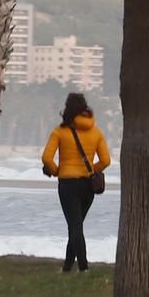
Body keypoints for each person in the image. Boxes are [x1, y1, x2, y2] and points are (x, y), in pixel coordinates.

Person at [41, 91, 111, 273]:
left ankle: (83, 267)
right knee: (76, 225)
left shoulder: (59, 132)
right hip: (87, 185)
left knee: (75, 226)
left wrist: (58, 170)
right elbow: (105, 161)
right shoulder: (96, 132)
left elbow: (46, 158)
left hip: (68, 185)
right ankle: (67, 267)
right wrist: (89, 171)